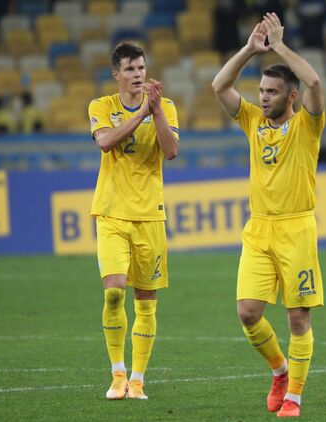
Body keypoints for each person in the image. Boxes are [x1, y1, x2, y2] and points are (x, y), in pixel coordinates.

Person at [212, 12, 324, 418]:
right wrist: (249, 49)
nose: (263, 98)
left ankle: (294, 397)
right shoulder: (253, 121)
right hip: (258, 229)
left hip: (297, 228)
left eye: (272, 92)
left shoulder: (308, 126)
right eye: (261, 91)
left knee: (297, 316)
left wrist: (279, 46)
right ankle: (280, 370)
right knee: (248, 312)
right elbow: (219, 86)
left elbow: (314, 82)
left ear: (291, 96)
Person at [88, 41, 179, 401]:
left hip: (149, 215)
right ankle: (117, 375)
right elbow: (105, 142)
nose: (138, 74)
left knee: (146, 301)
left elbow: (171, 151)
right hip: (111, 212)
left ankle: (137, 380)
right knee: (114, 292)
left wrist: (156, 112)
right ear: (116, 74)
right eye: (129, 68)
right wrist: (142, 113)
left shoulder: (166, 107)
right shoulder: (101, 106)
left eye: (141, 67)